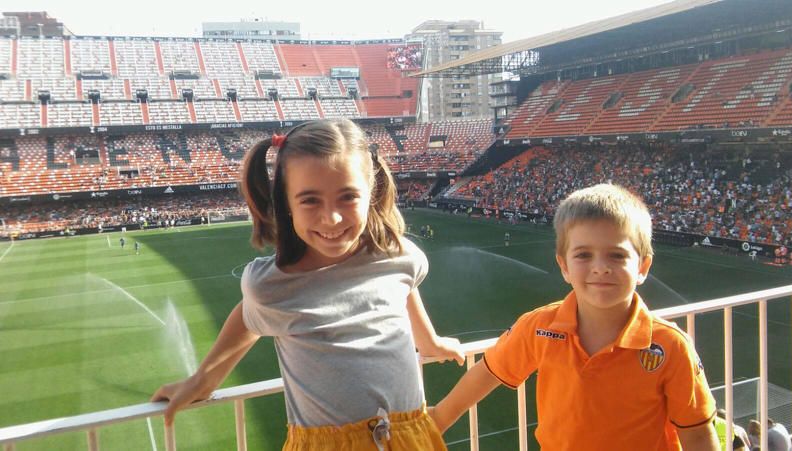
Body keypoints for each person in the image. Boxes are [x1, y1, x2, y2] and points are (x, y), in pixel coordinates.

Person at [151, 119, 463, 450]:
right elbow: (247, 317)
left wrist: (428, 342)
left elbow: (402, 286)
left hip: (410, 438)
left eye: (348, 197)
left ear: (371, 192)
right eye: (310, 201)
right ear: (286, 203)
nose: (331, 218)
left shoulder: (399, 255)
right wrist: (204, 379)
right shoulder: (271, 285)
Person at [430, 184, 719, 451]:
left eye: (617, 256)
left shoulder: (670, 346)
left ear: (643, 267)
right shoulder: (539, 327)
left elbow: (696, 433)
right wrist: (438, 420)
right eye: (583, 255)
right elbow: (489, 370)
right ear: (563, 266)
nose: (600, 268)